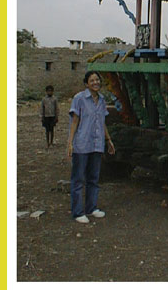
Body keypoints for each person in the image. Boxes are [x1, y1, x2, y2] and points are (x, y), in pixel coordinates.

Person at [66, 71, 116, 224]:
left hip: (96, 144)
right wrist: (70, 142)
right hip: (82, 144)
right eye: (92, 80)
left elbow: (102, 122)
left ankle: (91, 208)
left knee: (93, 178)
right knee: (78, 178)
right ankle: (77, 212)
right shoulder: (79, 99)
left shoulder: (101, 100)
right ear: (86, 84)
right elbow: (75, 121)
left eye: (97, 80)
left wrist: (109, 140)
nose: (95, 83)